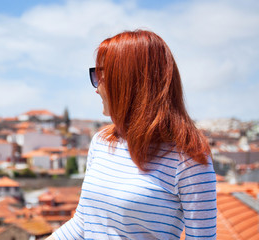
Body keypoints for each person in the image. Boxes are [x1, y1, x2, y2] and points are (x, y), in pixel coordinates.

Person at [46, 30, 217, 240]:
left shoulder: (189, 159)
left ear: (129, 84)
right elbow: (84, 223)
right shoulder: (101, 142)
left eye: (102, 76)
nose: (96, 88)